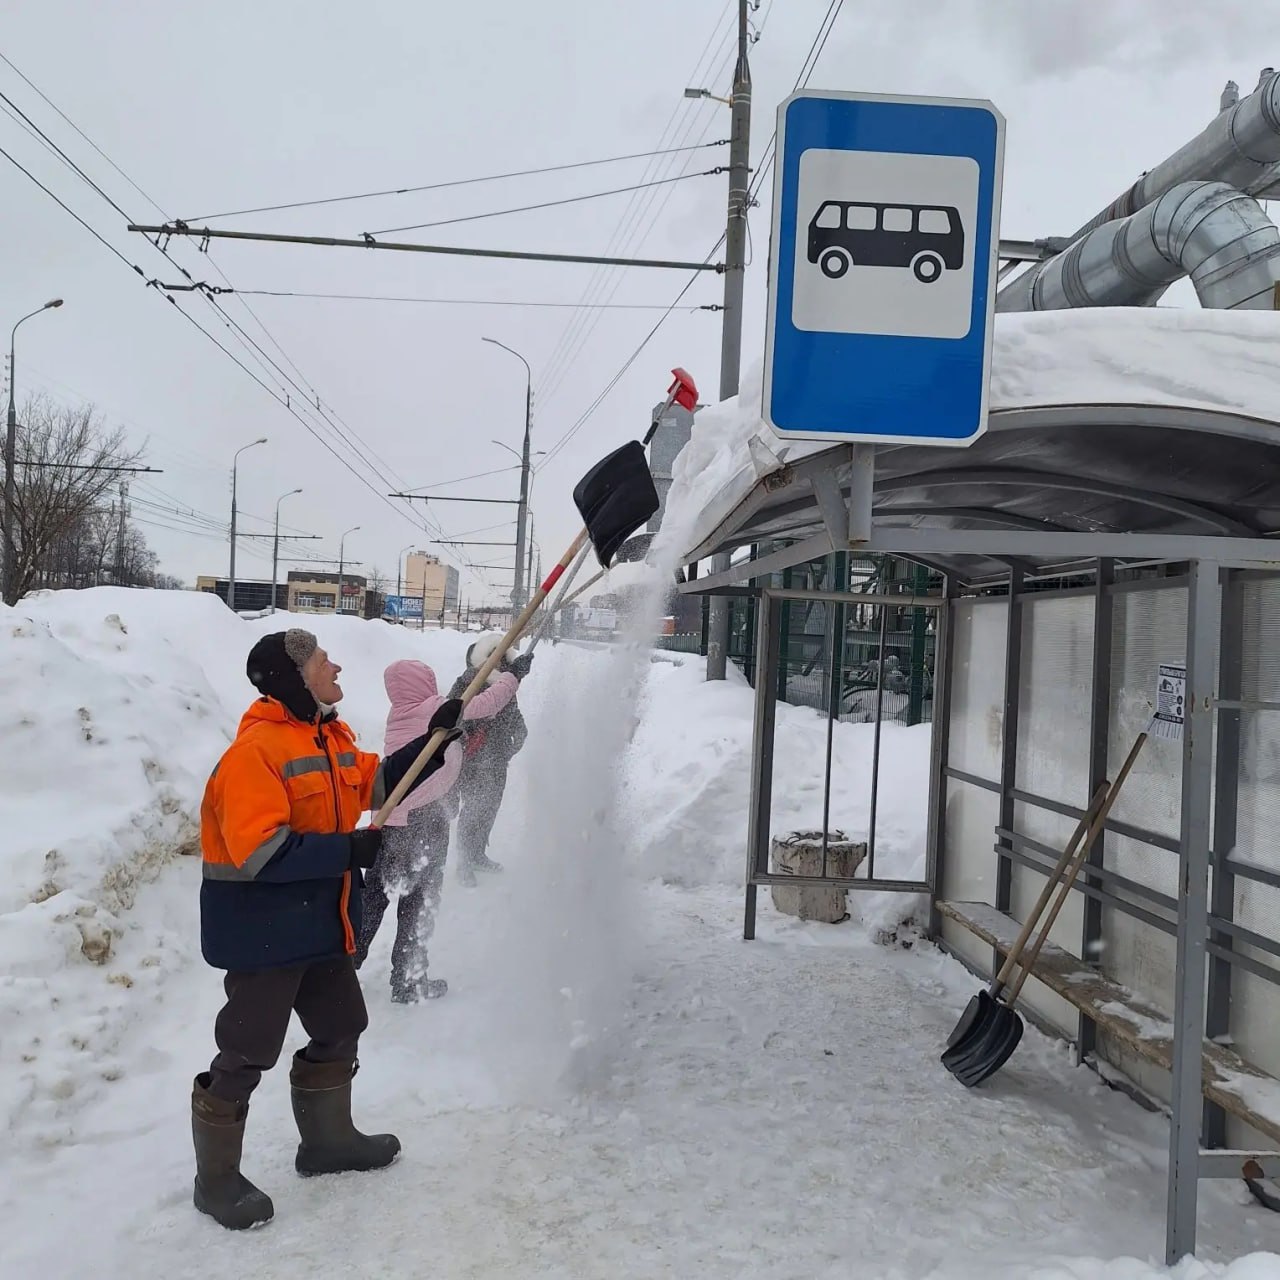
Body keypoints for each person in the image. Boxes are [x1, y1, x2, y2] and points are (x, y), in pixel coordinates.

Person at [193, 628, 463, 1232]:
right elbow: (259, 852)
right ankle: (214, 1182)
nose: (334, 665)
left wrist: (437, 736)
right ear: (294, 679)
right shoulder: (254, 754)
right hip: (265, 934)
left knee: (342, 1026)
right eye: (321, 660)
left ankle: (327, 1144)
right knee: (246, 1049)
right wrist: (350, 850)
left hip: (320, 924)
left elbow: (380, 781)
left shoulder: (329, 737)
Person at [355, 657, 520, 1002]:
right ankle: (407, 980)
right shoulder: (434, 709)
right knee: (418, 903)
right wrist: (513, 676)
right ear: (425, 684)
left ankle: (346, 964)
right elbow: (488, 703)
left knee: (373, 897)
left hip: (390, 821)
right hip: (423, 822)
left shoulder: (401, 712)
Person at [447, 634, 534, 887]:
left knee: (489, 809)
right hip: (471, 760)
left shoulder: (506, 688)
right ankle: (464, 861)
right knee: (473, 809)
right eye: (494, 660)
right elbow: (454, 714)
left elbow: (513, 715)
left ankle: (477, 854)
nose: (499, 666)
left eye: (503, 662)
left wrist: (515, 741)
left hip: (496, 759)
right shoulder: (468, 682)